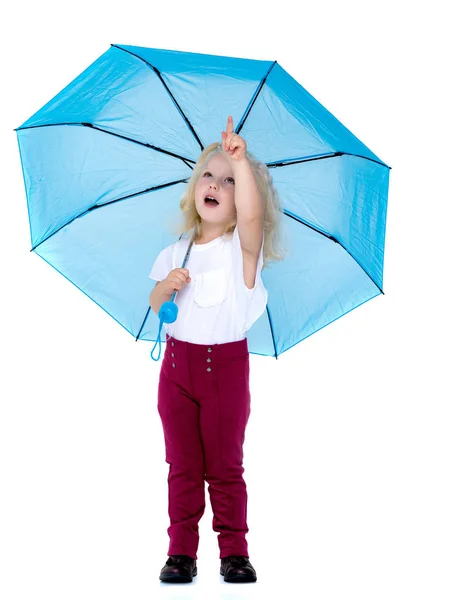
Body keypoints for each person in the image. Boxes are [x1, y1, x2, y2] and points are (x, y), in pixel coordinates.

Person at [148, 116, 286, 584]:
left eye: (229, 182)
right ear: (194, 187)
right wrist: (165, 288)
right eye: (209, 174)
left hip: (224, 369)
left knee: (225, 467)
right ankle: (180, 552)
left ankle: (234, 551)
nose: (217, 184)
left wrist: (241, 161)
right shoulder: (176, 251)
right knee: (182, 465)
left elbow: (250, 217)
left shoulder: (241, 250)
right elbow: (154, 302)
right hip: (176, 370)